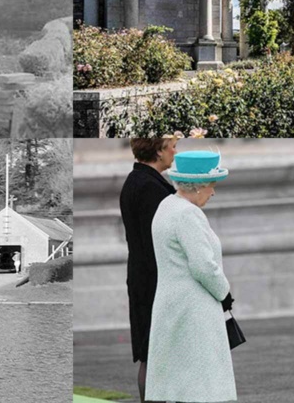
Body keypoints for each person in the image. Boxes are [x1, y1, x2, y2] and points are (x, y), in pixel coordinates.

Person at [145, 150, 235, 403]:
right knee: (200, 387)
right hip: (193, 310)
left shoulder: (167, 205)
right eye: (211, 185)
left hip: (173, 305)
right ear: (197, 187)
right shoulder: (188, 214)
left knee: (179, 386)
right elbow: (203, 266)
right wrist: (224, 292)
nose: (213, 192)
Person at [118, 138, 178, 403]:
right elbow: (163, 238)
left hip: (143, 275)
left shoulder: (136, 181)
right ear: (158, 150)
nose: (175, 152)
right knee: (155, 352)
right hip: (155, 278)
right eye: (172, 146)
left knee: (151, 351)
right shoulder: (150, 188)